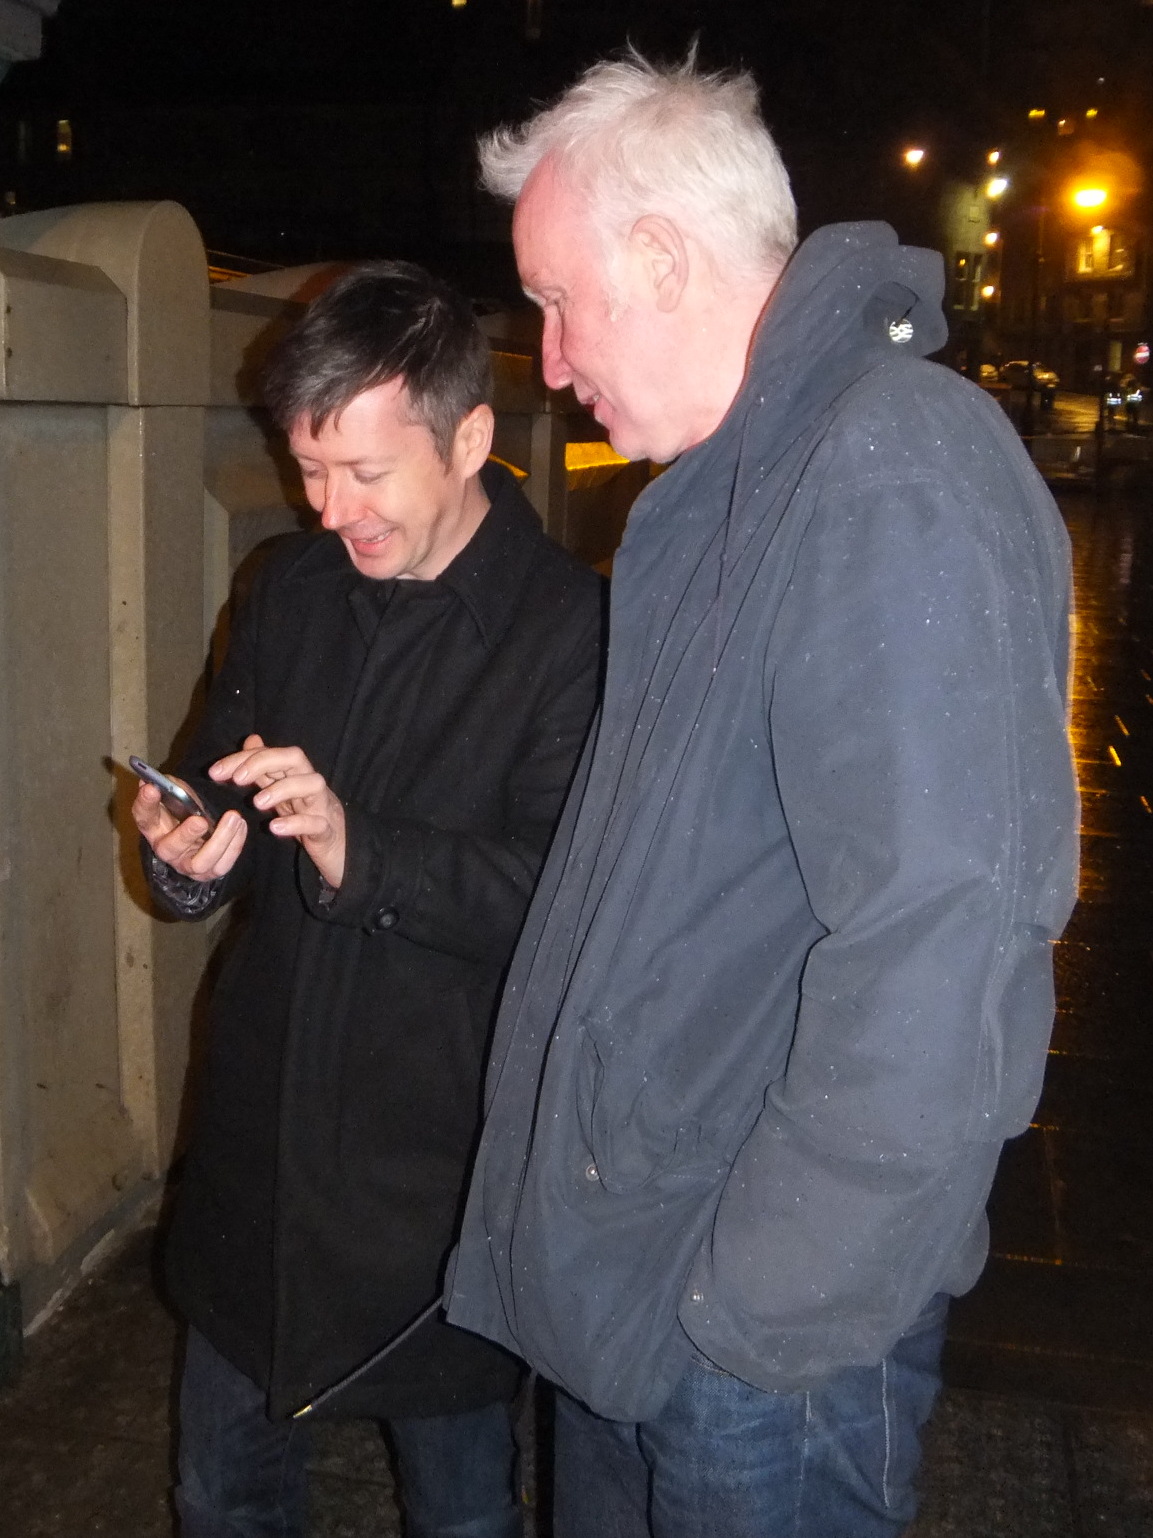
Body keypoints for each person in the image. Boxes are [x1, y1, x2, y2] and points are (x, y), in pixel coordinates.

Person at [445, 52, 1079, 1538]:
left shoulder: (888, 463)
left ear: (664, 259)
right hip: (642, 1276)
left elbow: (944, 937)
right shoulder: (732, 487)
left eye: (557, 300)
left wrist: (764, 1300)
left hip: (750, 1334)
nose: (549, 360)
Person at [132, 261, 604, 1538]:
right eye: (308, 469)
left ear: (469, 439)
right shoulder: (287, 587)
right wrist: (187, 848)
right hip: (263, 1139)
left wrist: (361, 849)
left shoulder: (571, 631)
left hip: (436, 1162)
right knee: (220, 1493)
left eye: (365, 471)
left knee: (460, 1509)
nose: (330, 507)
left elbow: (559, 901)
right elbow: (222, 787)